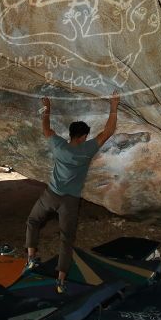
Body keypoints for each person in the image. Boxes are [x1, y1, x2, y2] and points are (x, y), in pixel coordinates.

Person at [25, 91, 119, 293]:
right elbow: (108, 131)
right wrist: (114, 105)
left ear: (70, 134)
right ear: (84, 136)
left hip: (51, 195)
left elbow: (46, 128)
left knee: (33, 221)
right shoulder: (87, 150)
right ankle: (60, 279)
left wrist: (47, 109)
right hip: (70, 202)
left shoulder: (59, 146)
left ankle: (31, 258)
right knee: (66, 239)